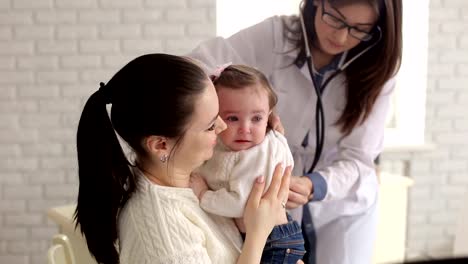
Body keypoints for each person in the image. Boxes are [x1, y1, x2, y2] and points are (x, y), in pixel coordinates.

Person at [189, 0, 402, 263]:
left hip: (340, 210)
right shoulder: (275, 37)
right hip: (270, 214)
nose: (341, 35)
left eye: (360, 28)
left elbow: (360, 158)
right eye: (334, 18)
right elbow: (194, 68)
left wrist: (316, 185)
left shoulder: (380, 70)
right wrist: (249, 109)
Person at [74, 53, 293, 264]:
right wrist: (258, 234)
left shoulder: (191, 177)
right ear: (161, 145)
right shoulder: (164, 238)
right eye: (210, 126)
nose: (223, 126)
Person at [191, 64, 305, 264]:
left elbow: (240, 203)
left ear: (269, 116)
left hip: (273, 241)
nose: (245, 129)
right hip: (262, 236)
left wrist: (203, 195)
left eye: (256, 118)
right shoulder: (227, 145)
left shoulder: (257, 155)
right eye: (233, 118)